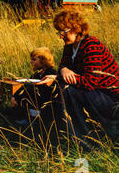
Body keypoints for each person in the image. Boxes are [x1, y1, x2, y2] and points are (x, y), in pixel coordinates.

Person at [38, 9, 119, 148]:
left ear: (75, 29)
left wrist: (60, 78)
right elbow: (63, 67)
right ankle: (60, 133)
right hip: (95, 94)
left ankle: (86, 142)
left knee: (69, 91)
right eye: (59, 33)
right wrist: (62, 71)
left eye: (63, 32)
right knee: (59, 87)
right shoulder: (69, 47)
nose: (61, 36)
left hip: (110, 97)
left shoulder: (91, 45)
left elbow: (90, 82)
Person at [8, 47, 59, 127]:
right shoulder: (36, 74)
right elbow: (24, 87)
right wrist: (14, 97)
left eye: (34, 59)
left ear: (43, 60)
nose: (31, 62)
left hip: (43, 111)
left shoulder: (51, 75)